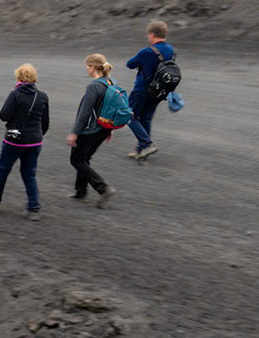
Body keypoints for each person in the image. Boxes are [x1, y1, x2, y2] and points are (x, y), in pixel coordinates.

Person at [0, 63, 49, 220]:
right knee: (29, 174)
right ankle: (34, 209)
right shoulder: (42, 96)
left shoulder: (15, 94)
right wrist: (37, 135)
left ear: (19, 77)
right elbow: (45, 122)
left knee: (3, 170)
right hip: (35, 141)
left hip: (14, 141)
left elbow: (3, 116)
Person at [123, 20, 177, 160]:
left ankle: (147, 144)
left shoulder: (147, 51)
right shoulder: (171, 50)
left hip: (142, 89)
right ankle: (140, 150)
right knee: (145, 118)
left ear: (152, 34)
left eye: (149, 35)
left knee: (129, 115)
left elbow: (130, 64)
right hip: (159, 91)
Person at [67, 54, 116, 205]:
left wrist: (75, 132)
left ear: (92, 67)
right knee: (85, 158)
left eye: (87, 66)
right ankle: (80, 191)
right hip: (104, 129)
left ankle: (103, 188)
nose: (86, 69)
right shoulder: (111, 82)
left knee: (76, 159)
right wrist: (110, 129)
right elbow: (112, 108)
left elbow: (84, 112)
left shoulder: (94, 86)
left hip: (91, 130)